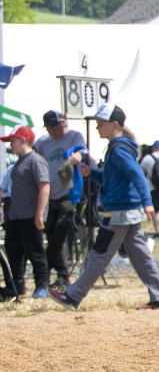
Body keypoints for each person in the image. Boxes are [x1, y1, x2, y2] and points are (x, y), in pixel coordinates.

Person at [49, 105, 159, 310]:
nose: (97, 127)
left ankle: (73, 296)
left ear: (115, 125)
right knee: (141, 257)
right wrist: (93, 174)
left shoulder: (118, 148)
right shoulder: (119, 147)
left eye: (101, 123)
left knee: (99, 255)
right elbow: (114, 178)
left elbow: (136, 174)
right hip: (126, 211)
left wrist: (147, 202)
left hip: (119, 213)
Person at [33, 111, 87, 290]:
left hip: (69, 194)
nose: (56, 130)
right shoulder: (42, 143)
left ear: (64, 123)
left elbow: (82, 150)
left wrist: (78, 156)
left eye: (58, 125)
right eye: (51, 127)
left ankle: (43, 273)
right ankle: (63, 277)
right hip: (49, 195)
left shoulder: (74, 136)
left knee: (59, 235)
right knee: (51, 235)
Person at [2, 126, 51, 299]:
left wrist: (39, 214)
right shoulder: (18, 163)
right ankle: (17, 285)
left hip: (30, 216)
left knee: (35, 252)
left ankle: (42, 286)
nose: (10, 145)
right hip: (15, 216)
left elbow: (44, 187)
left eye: (12, 141)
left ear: (23, 140)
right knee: (13, 250)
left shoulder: (35, 160)